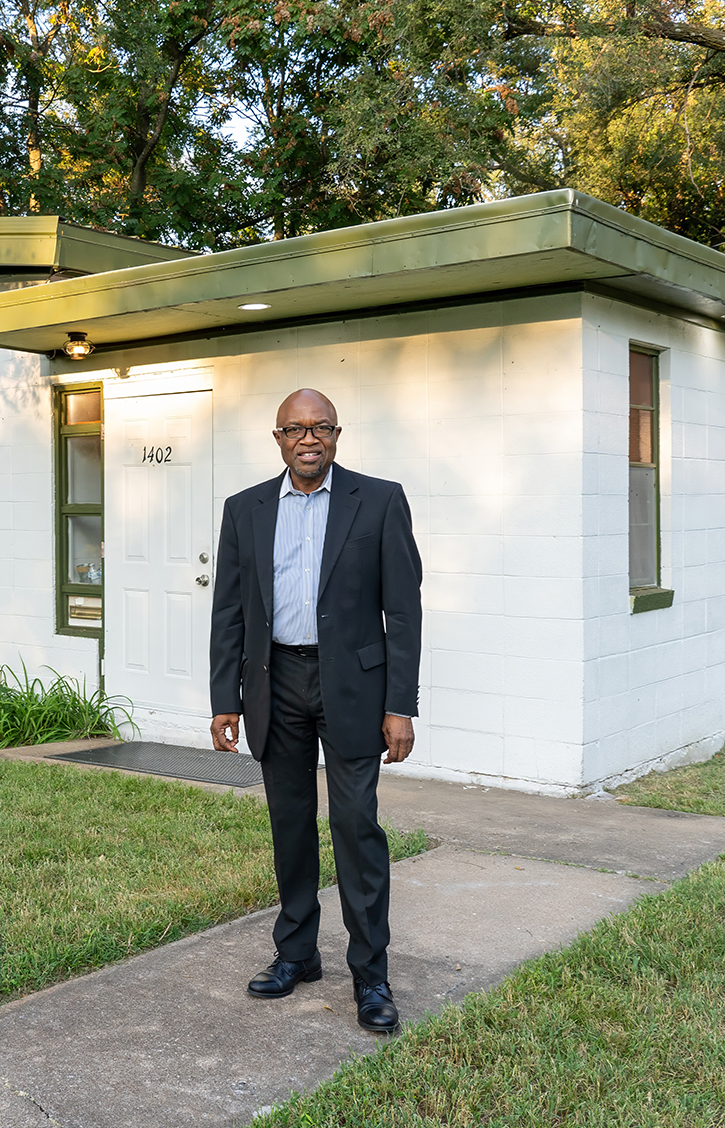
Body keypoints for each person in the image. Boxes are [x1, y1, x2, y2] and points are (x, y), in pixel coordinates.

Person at [208, 388, 423, 1033]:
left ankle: (371, 975)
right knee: (291, 827)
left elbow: (403, 614)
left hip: (352, 689)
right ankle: (297, 954)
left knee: (357, 829)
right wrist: (226, 700)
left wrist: (399, 705)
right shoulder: (243, 510)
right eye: (295, 429)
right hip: (275, 682)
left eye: (321, 427)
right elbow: (230, 611)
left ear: (337, 435)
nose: (309, 439)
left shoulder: (379, 501)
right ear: (277, 438)